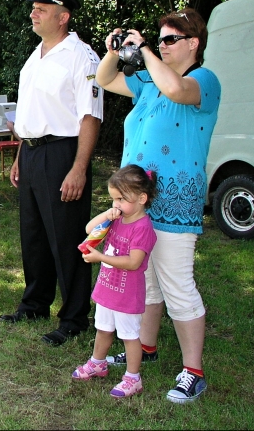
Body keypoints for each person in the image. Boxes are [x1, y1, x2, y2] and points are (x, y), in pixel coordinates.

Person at [95, 7, 221, 403]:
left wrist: (146, 50)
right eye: (159, 38)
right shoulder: (149, 82)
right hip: (136, 203)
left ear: (193, 43)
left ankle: (193, 371)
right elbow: (104, 79)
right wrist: (115, 51)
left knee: (177, 284)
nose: (162, 45)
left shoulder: (204, 80)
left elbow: (177, 90)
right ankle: (145, 347)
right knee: (144, 280)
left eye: (170, 39)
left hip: (175, 203)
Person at [0, 0, 103, 346]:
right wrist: (20, 155)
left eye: (42, 9)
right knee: (34, 235)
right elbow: (31, 112)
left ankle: (74, 317)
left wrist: (78, 168)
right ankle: (35, 304)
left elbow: (90, 115)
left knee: (66, 236)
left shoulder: (82, 57)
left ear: (63, 17)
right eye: (33, 8)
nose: (34, 13)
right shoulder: (36, 55)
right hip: (31, 151)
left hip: (62, 152)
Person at [72, 165, 158, 399]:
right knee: (103, 329)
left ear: (142, 199)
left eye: (121, 199)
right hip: (107, 290)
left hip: (127, 295)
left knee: (129, 336)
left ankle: (133, 378)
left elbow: (133, 262)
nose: (116, 204)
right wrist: (107, 214)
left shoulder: (143, 228)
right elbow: (90, 228)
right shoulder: (117, 219)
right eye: (114, 199)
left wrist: (100, 257)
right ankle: (97, 362)